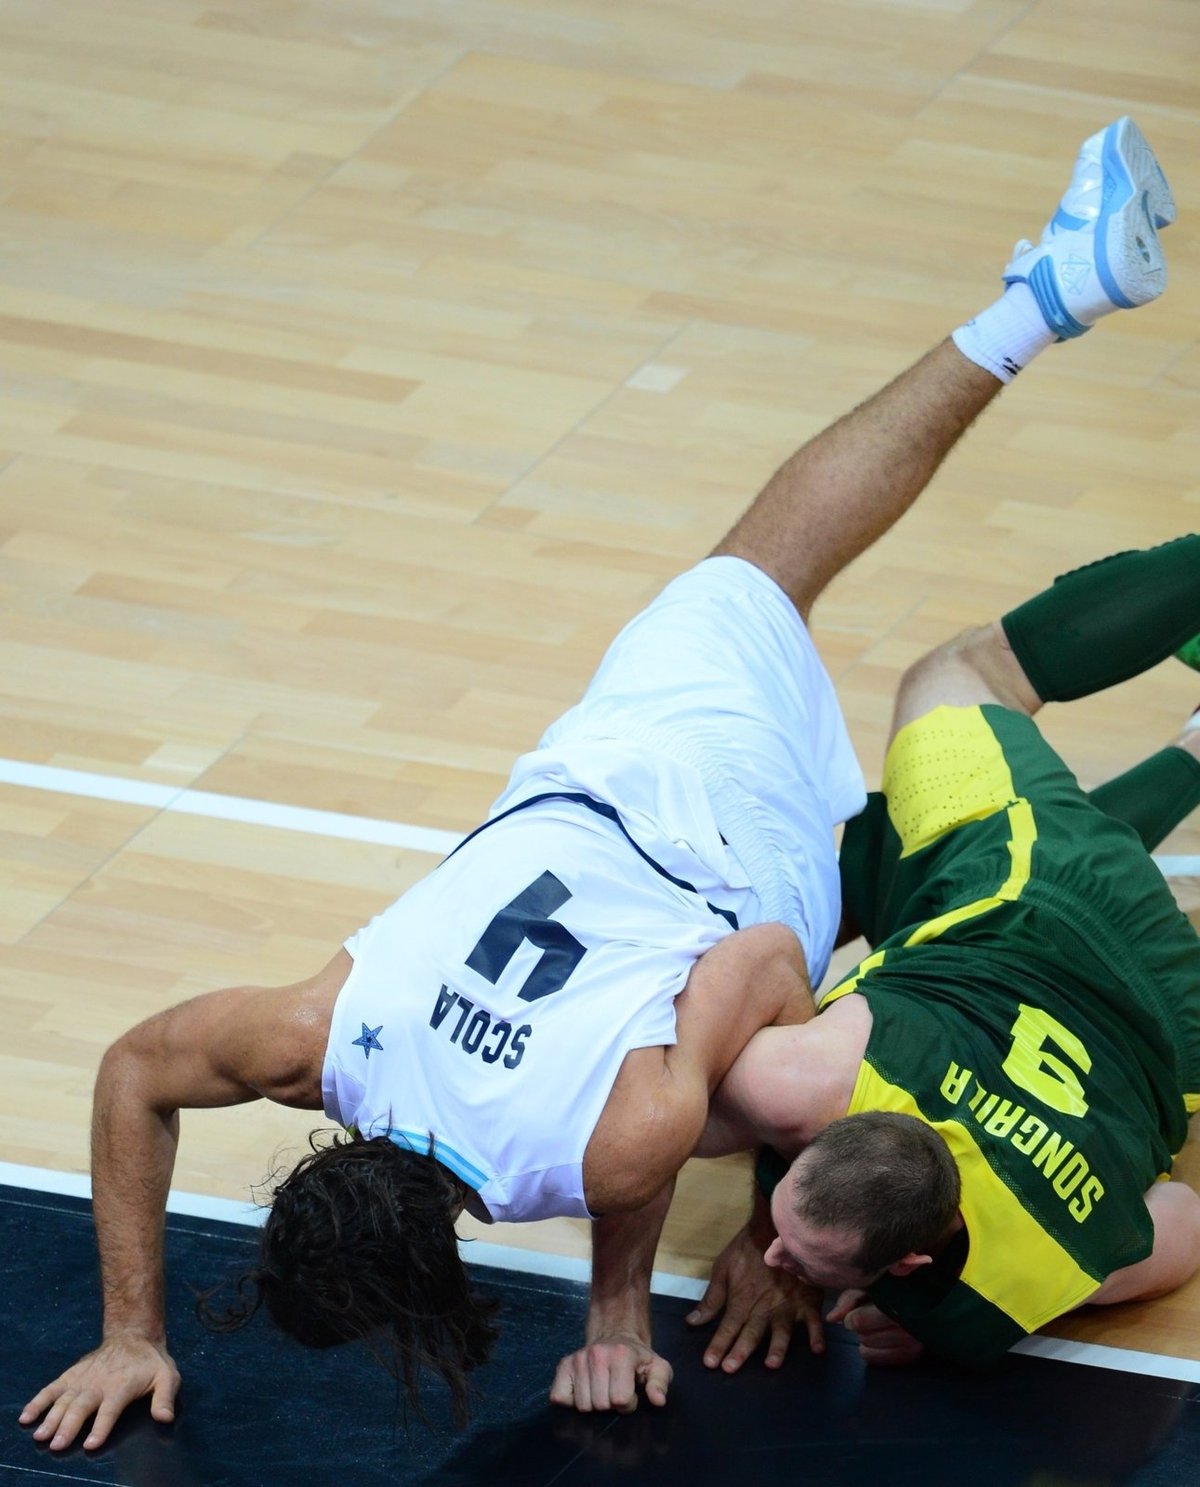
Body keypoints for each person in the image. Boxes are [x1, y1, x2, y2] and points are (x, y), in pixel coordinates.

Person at [21, 115, 1174, 1451]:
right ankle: (1041, 299)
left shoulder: (606, 1144)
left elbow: (758, 975)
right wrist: (622, 1303)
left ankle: (1066, 307)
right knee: (769, 569)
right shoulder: (315, 1033)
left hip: (745, 873)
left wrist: (130, 1331)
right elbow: (135, 1066)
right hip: (630, 782)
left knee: (892, 892)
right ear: (319, 1135)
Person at [550, 552, 1200, 1407]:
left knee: (892, 818)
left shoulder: (1038, 1265)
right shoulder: (807, 1078)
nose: (775, 1259)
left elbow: (1181, 1218)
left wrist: (1022, 1311)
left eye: (788, 1253)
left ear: (908, 1264)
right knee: (960, 681)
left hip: (1171, 1013)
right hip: (1036, 887)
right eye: (786, 1243)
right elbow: (761, 964)